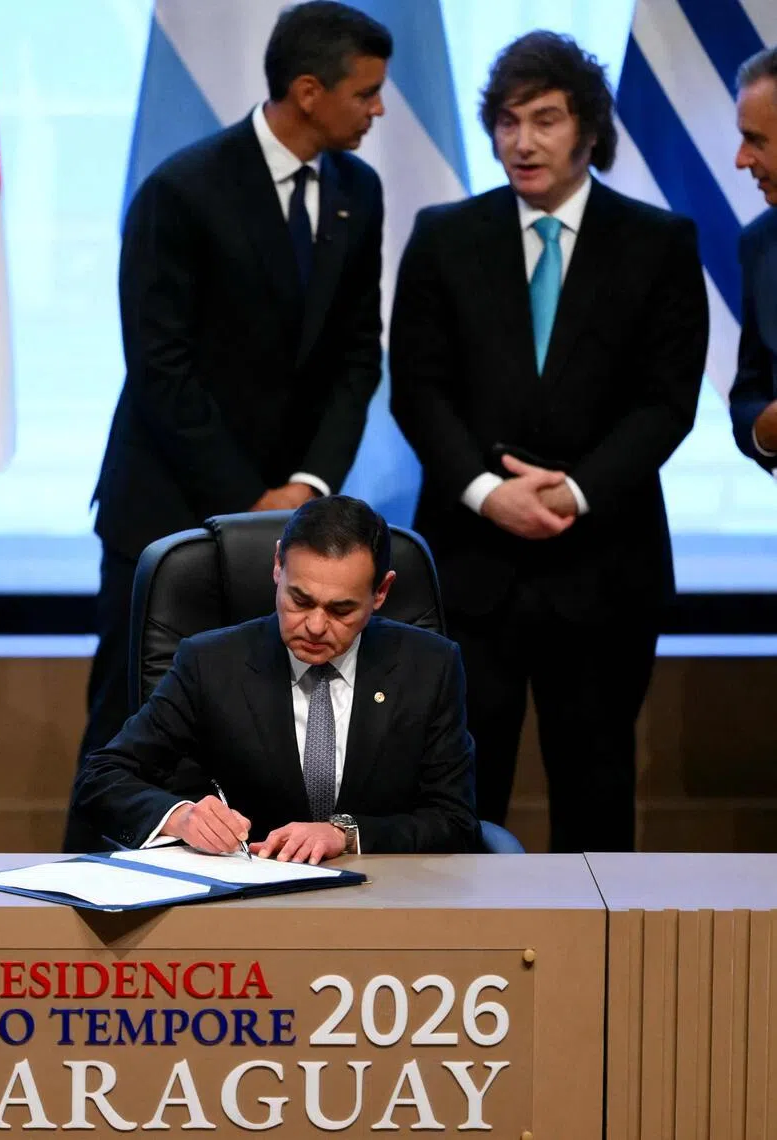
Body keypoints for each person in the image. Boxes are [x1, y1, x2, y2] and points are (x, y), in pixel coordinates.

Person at [72, 1, 392, 848]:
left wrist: (310, 488)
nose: (379, 110)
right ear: (309, 91)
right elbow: (160, 367)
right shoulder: (183, 189)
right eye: (366, 93)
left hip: (293, 509)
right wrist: (252, 501)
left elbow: (359, 357)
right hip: (170, 502)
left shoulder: (360, 191)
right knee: (128, 721)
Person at [389, 32, 708, 852]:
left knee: (597, 794)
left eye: (544, 119)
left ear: (589, 130)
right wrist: (489, 494)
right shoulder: (443, 235)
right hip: (469, 568)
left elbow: (666, 403)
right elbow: (418, 391)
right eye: (504, 121)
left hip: (603, 565)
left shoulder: (660, 242)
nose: (520, 142)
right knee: (457, 797)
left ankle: (600, 982)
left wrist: (572, 490)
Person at [71, 496, 479, 860]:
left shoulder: (430, 666)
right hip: (244, 904)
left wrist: (346, 835)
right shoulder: (210, 663)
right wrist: (182, 818)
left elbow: (454, 821)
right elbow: (102, 778)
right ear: (277, 565)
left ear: (381, 592)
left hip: (386, 904)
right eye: (300, 600)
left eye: (341, 610)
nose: (316, 626)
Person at [730, 46, 777, 468]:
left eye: (755, 140)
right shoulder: (758, 244)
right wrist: (767, 426)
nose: (741, 159)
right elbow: (748, 394)